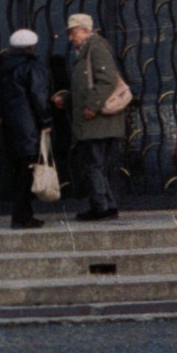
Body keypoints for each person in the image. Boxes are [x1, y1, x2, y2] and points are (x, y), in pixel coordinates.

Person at [54, 12, 125, 221]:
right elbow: (85, 87)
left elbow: (107, 80)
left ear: (85, 30)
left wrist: (92, 106)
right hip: (95, 122)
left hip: (98, 121)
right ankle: (107, 205)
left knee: (92, 164)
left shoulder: (96, 48)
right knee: (96, 164)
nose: (70, 38)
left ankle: (100, 207)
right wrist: (66, 97)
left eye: (73, 33)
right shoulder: (87, 50)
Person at [0, 29, 55, 229]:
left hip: (12, 127)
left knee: (20, 171)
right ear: (32, 46)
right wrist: (46, 120)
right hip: (29, 126)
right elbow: (38, 95)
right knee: (27, 172)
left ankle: (24, 214)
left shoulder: (5, 67)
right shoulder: (31, 66)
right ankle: (21, 217)